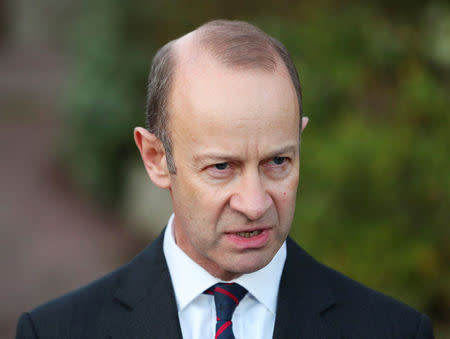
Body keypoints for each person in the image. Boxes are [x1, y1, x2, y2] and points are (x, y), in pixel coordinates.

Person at [16, 19, 434, 339]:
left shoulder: (392, 330)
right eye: (221, 167)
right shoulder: (56, 331)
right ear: (157, 158)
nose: (254, 204)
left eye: (277, 161)